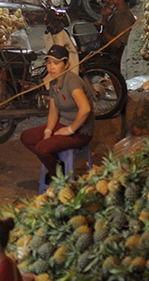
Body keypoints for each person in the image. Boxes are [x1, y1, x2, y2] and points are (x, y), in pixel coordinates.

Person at [20, 44, 94, 180]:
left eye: (56, 63)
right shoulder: (54, 83)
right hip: (63, 125)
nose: (51, 67)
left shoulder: (72, 81)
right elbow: (53, 112)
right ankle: (58, 165)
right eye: (48, 63)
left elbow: (85, 109)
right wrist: (48, 131)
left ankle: (59, 177)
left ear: (66, 64)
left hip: (80, 132)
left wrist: (71, 129)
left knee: (42, 148)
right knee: (26, 137)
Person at [97, 0, 136, 68]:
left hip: (109, 55)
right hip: (103, 45)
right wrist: (105, 15)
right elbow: (107, 26)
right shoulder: (116, 9)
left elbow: (118, 44)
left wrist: (102, 31)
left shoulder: (125, 18)